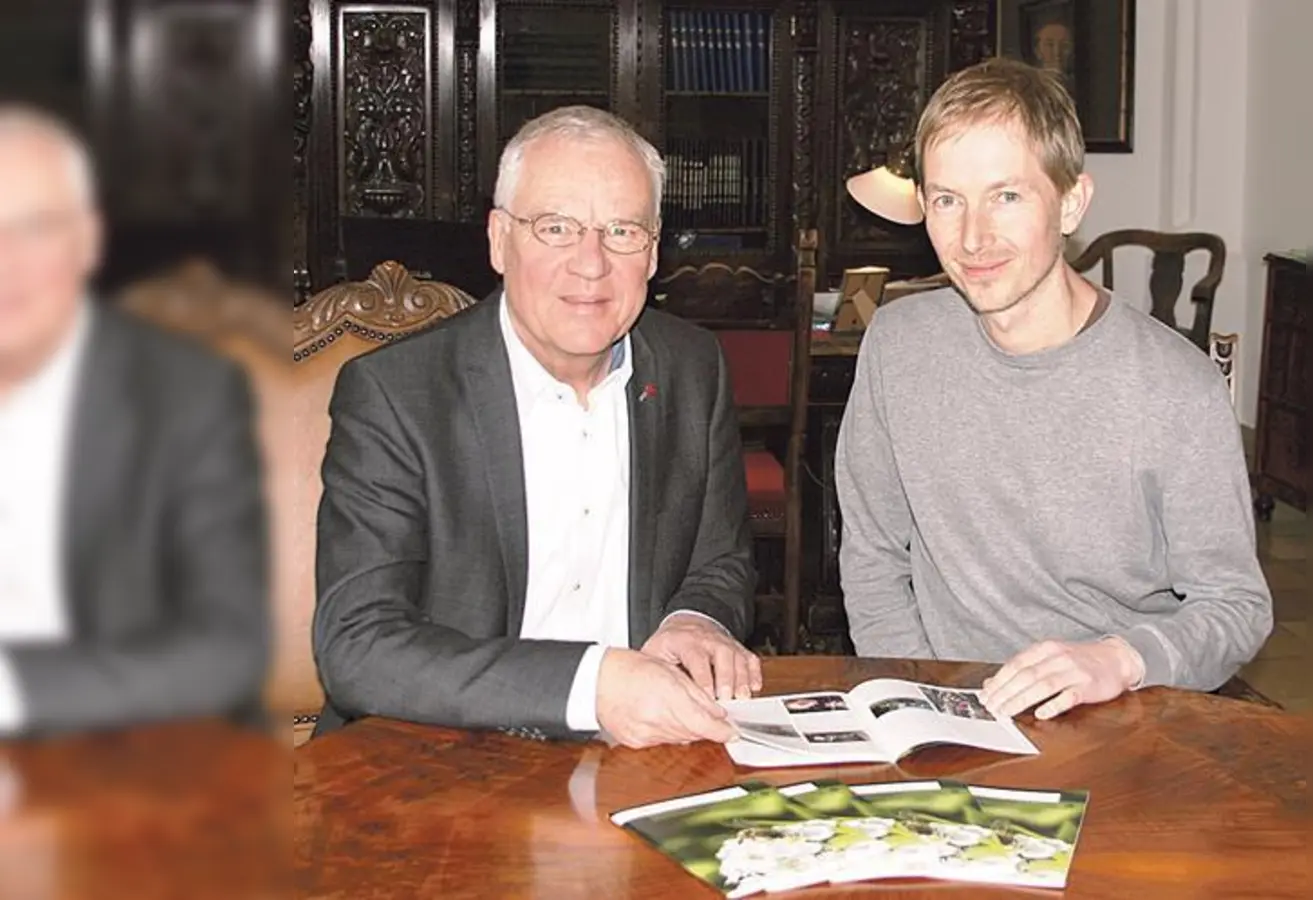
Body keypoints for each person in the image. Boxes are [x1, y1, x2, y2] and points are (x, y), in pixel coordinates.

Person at [836, 59, 1271, 722]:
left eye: (1006, 196)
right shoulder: (898, 346)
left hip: (1120, 718)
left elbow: (1238, 607)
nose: (973, 237)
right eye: (948, 200)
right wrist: (918, 697)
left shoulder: (1175, 388)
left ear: (1071, 203)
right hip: (946, 711)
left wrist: (1120, 659)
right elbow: (871, 553)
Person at [313, 106, 760, 748]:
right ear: (499, 241)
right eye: (556, 228)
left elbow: (718, 560)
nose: (591, 263)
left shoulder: (693, 366)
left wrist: (696, 619)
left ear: (654, 251)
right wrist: (591, 686)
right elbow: (358, 645)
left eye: (622, 231)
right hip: (442, 758)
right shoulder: (397, 395)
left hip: (645, 754)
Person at [0, 105, 268, 736]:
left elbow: (227, 646)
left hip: (124, 760)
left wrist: (13, 690)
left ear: (88, 240)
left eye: (33, 228)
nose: (4, 260)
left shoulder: (185, 395)